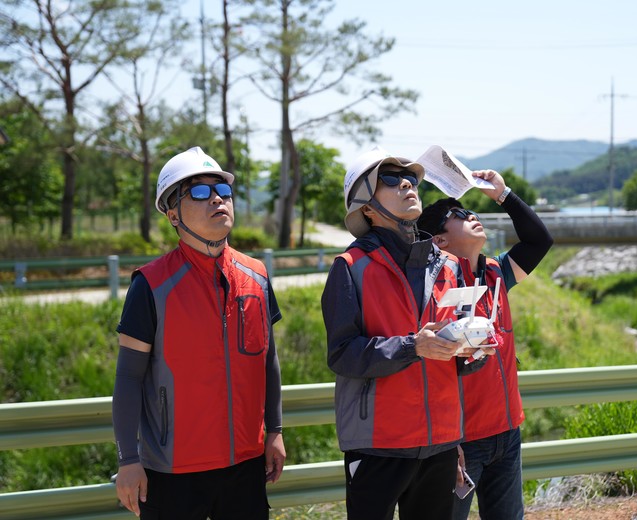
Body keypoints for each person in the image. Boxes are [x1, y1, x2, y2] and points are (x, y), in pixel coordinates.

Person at [111, 146, 285, 519]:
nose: (217, 199)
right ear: (173, 214)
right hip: (172, 471)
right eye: (200, 192)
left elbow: (268, 361)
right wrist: (128, 459)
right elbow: (128, 377)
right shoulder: (150, 284)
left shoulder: (257, 275)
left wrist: (275, 430)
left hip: (246, 463)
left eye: (223, 191)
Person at [320, 146, 492, 520]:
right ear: (366, 208)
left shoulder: (449, 266)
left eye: (411, 178)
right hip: (377, 445)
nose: (406, 185)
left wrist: (474, 350)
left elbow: (458, 361)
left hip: (441, 441)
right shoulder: (350, 267)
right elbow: (343, 354)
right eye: (390, 179)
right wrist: (413, 346)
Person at [417, 169, 554, 520]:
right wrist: (447, 443)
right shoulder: (433, 291)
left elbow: (539, 240)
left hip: (507, 432)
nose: (471, 215)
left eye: (471, 211)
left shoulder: (498, 274)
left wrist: (504, 195)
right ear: (439, 240)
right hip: (459, 441)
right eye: (458, 215)